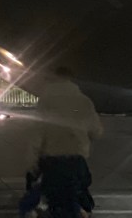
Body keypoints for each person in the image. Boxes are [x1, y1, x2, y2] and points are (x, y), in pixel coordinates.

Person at [24, 67, 102, 217]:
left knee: (49, 195)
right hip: (77, 159)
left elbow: (38, 132)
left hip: (52, 159)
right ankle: (82, 210)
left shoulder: (46, 101)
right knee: (78, 191)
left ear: (53, 79)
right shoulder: (84, 101)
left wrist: (32, 160)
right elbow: (96, 131)